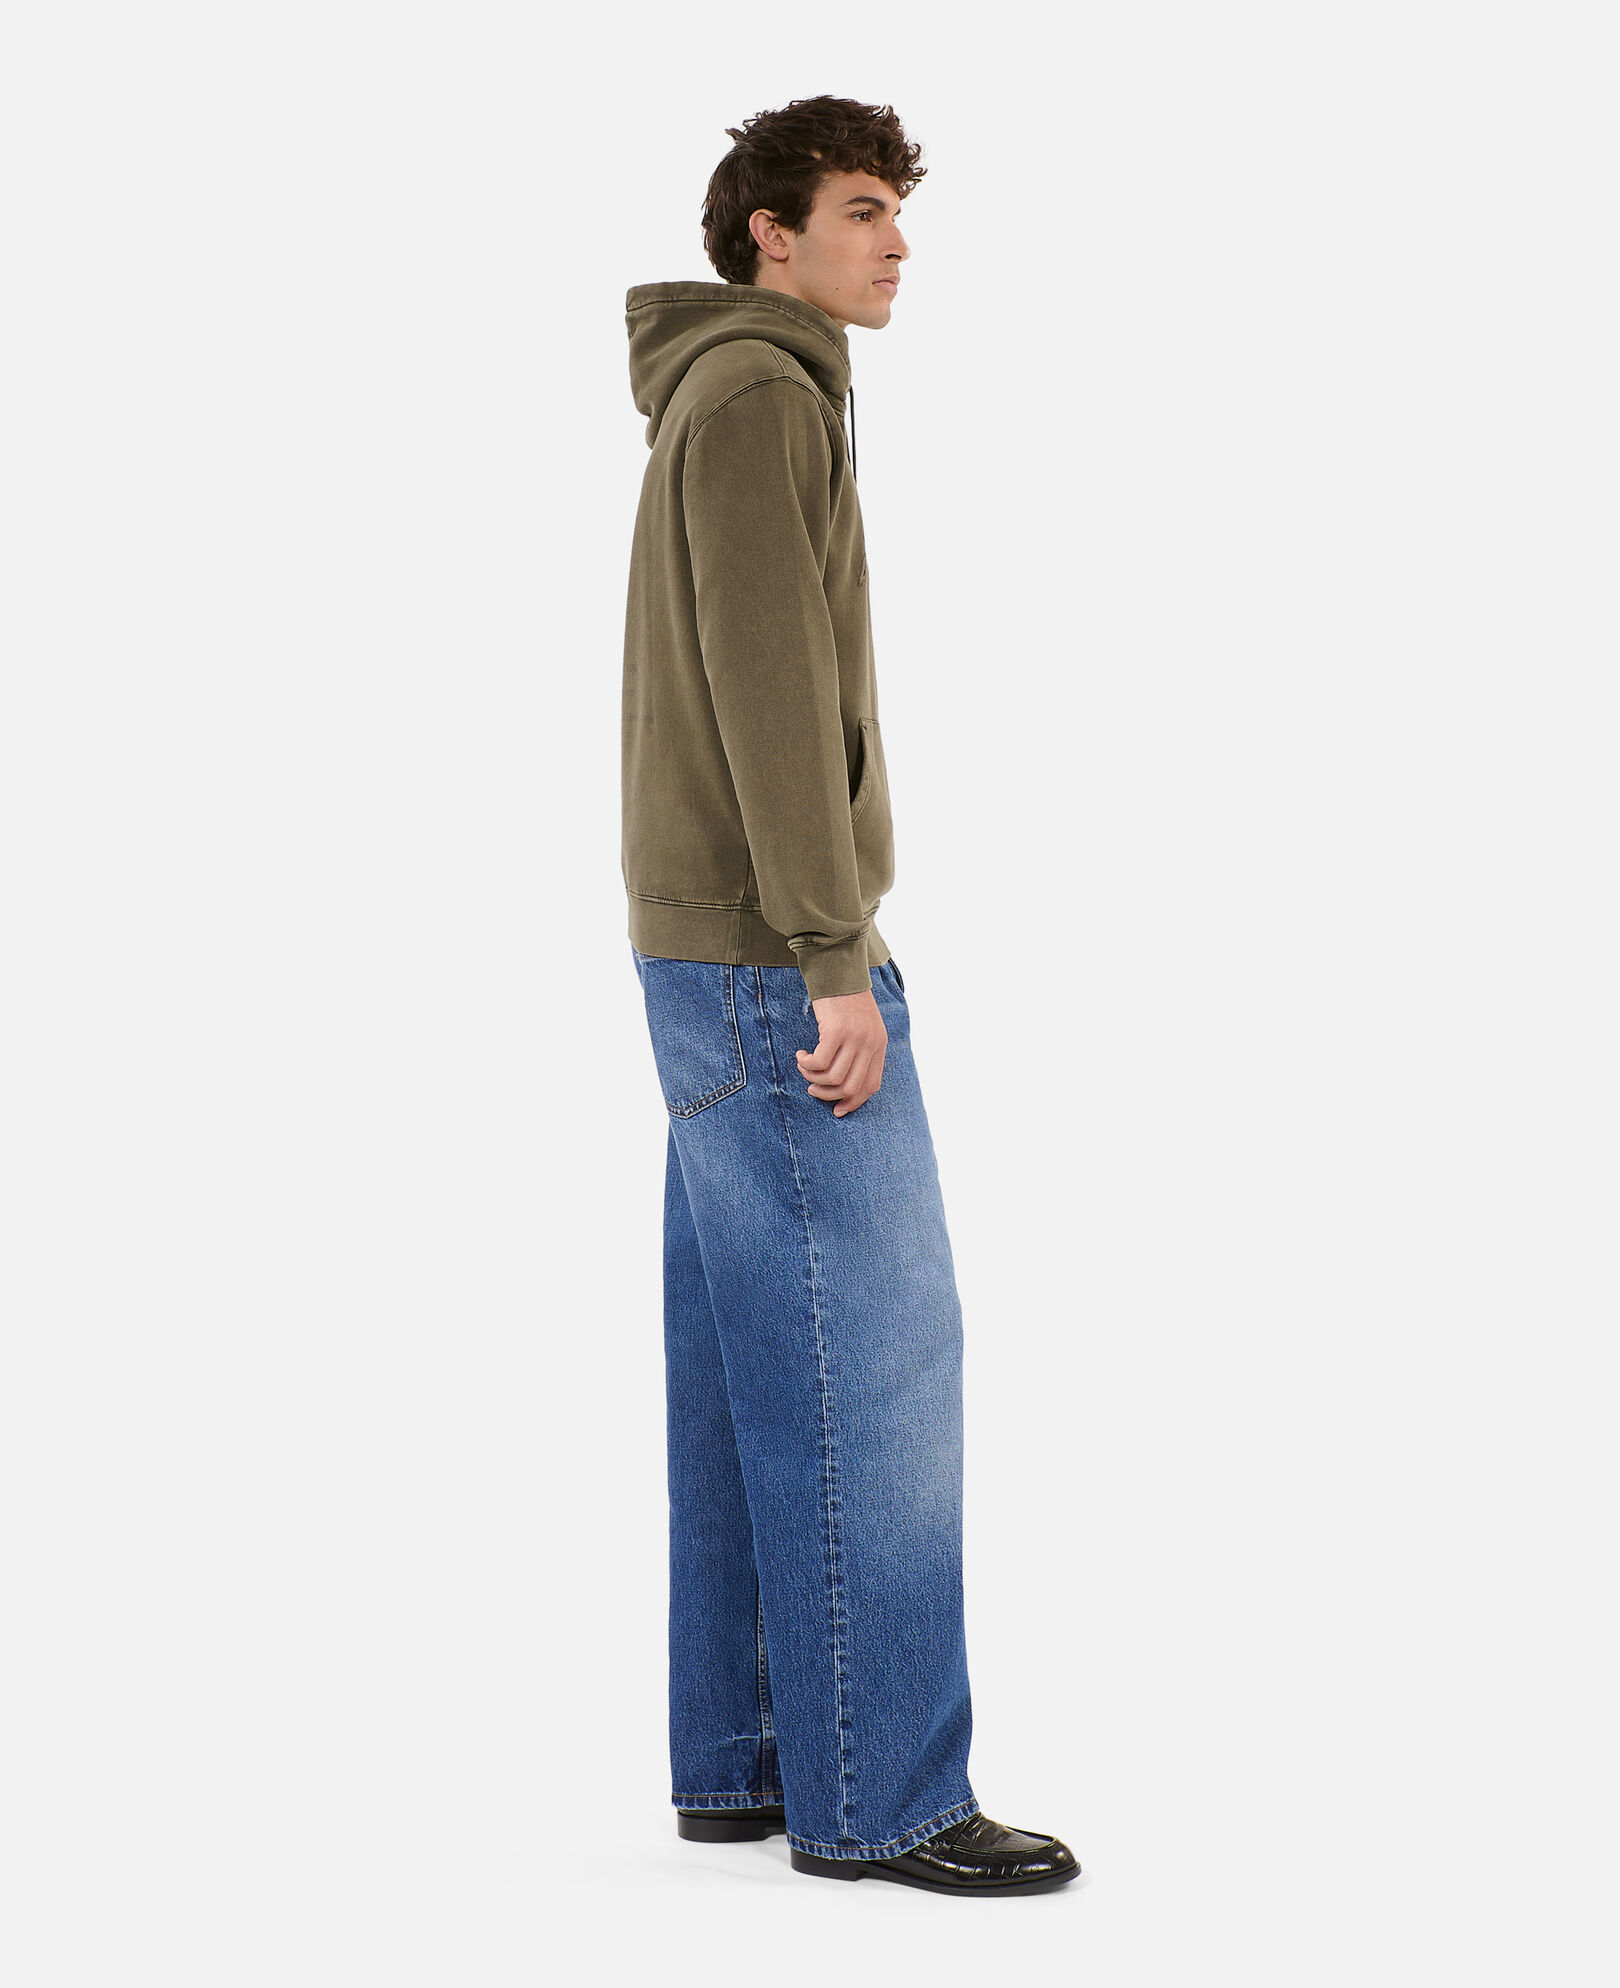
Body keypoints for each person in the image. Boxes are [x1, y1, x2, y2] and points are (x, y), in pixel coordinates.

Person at [619, 95, 1080, 1897]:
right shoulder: (759, 397)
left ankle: (743, 1758)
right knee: (873, 1359)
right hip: (766, 953)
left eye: (897, 211)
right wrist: (833, 954)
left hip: (708, 944)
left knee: (747, 1355)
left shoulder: (741, 390)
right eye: (865, 210)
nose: (896, 244)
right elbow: (769, 690)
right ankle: (882, 1793)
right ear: (772, 233)